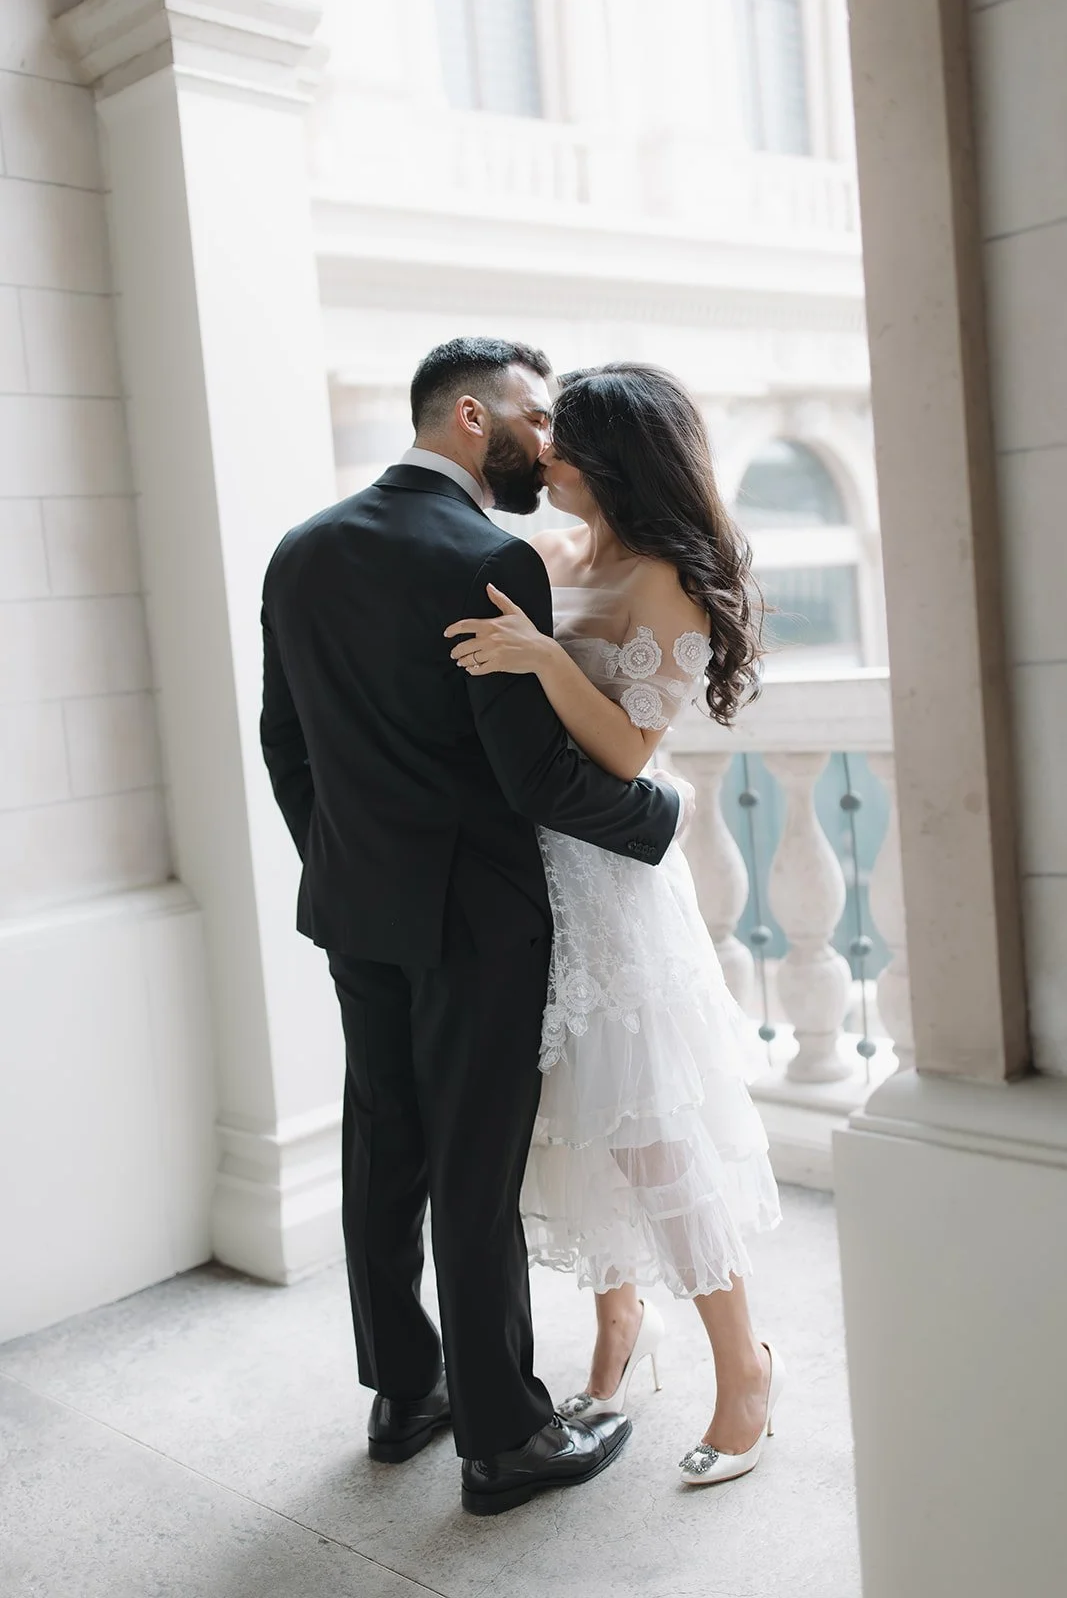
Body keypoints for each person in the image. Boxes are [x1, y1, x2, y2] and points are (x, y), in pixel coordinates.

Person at [259, 337, 693, 1516]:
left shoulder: (300, 549)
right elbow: (534, 779)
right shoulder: (488, 556)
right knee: (472, 1165)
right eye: (531, 415)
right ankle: (503, 1437)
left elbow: (283, 743)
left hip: (356, 904)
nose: (545, 439)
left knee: (380, 1146)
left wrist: (343, 860)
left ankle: (404, 1395)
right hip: (476, 919)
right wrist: (658, 814)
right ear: (467, 415)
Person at [446, 363, 784, 1487]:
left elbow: (630, 757)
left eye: (562, 442)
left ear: (612, 458)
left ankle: (743, 1370)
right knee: (573, 1124)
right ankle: (613, 1330)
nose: (542, 457)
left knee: (651, 1133)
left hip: (617, 892)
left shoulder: (666, 584)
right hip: (538, 879)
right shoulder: (553, 556)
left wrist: (544, 658)